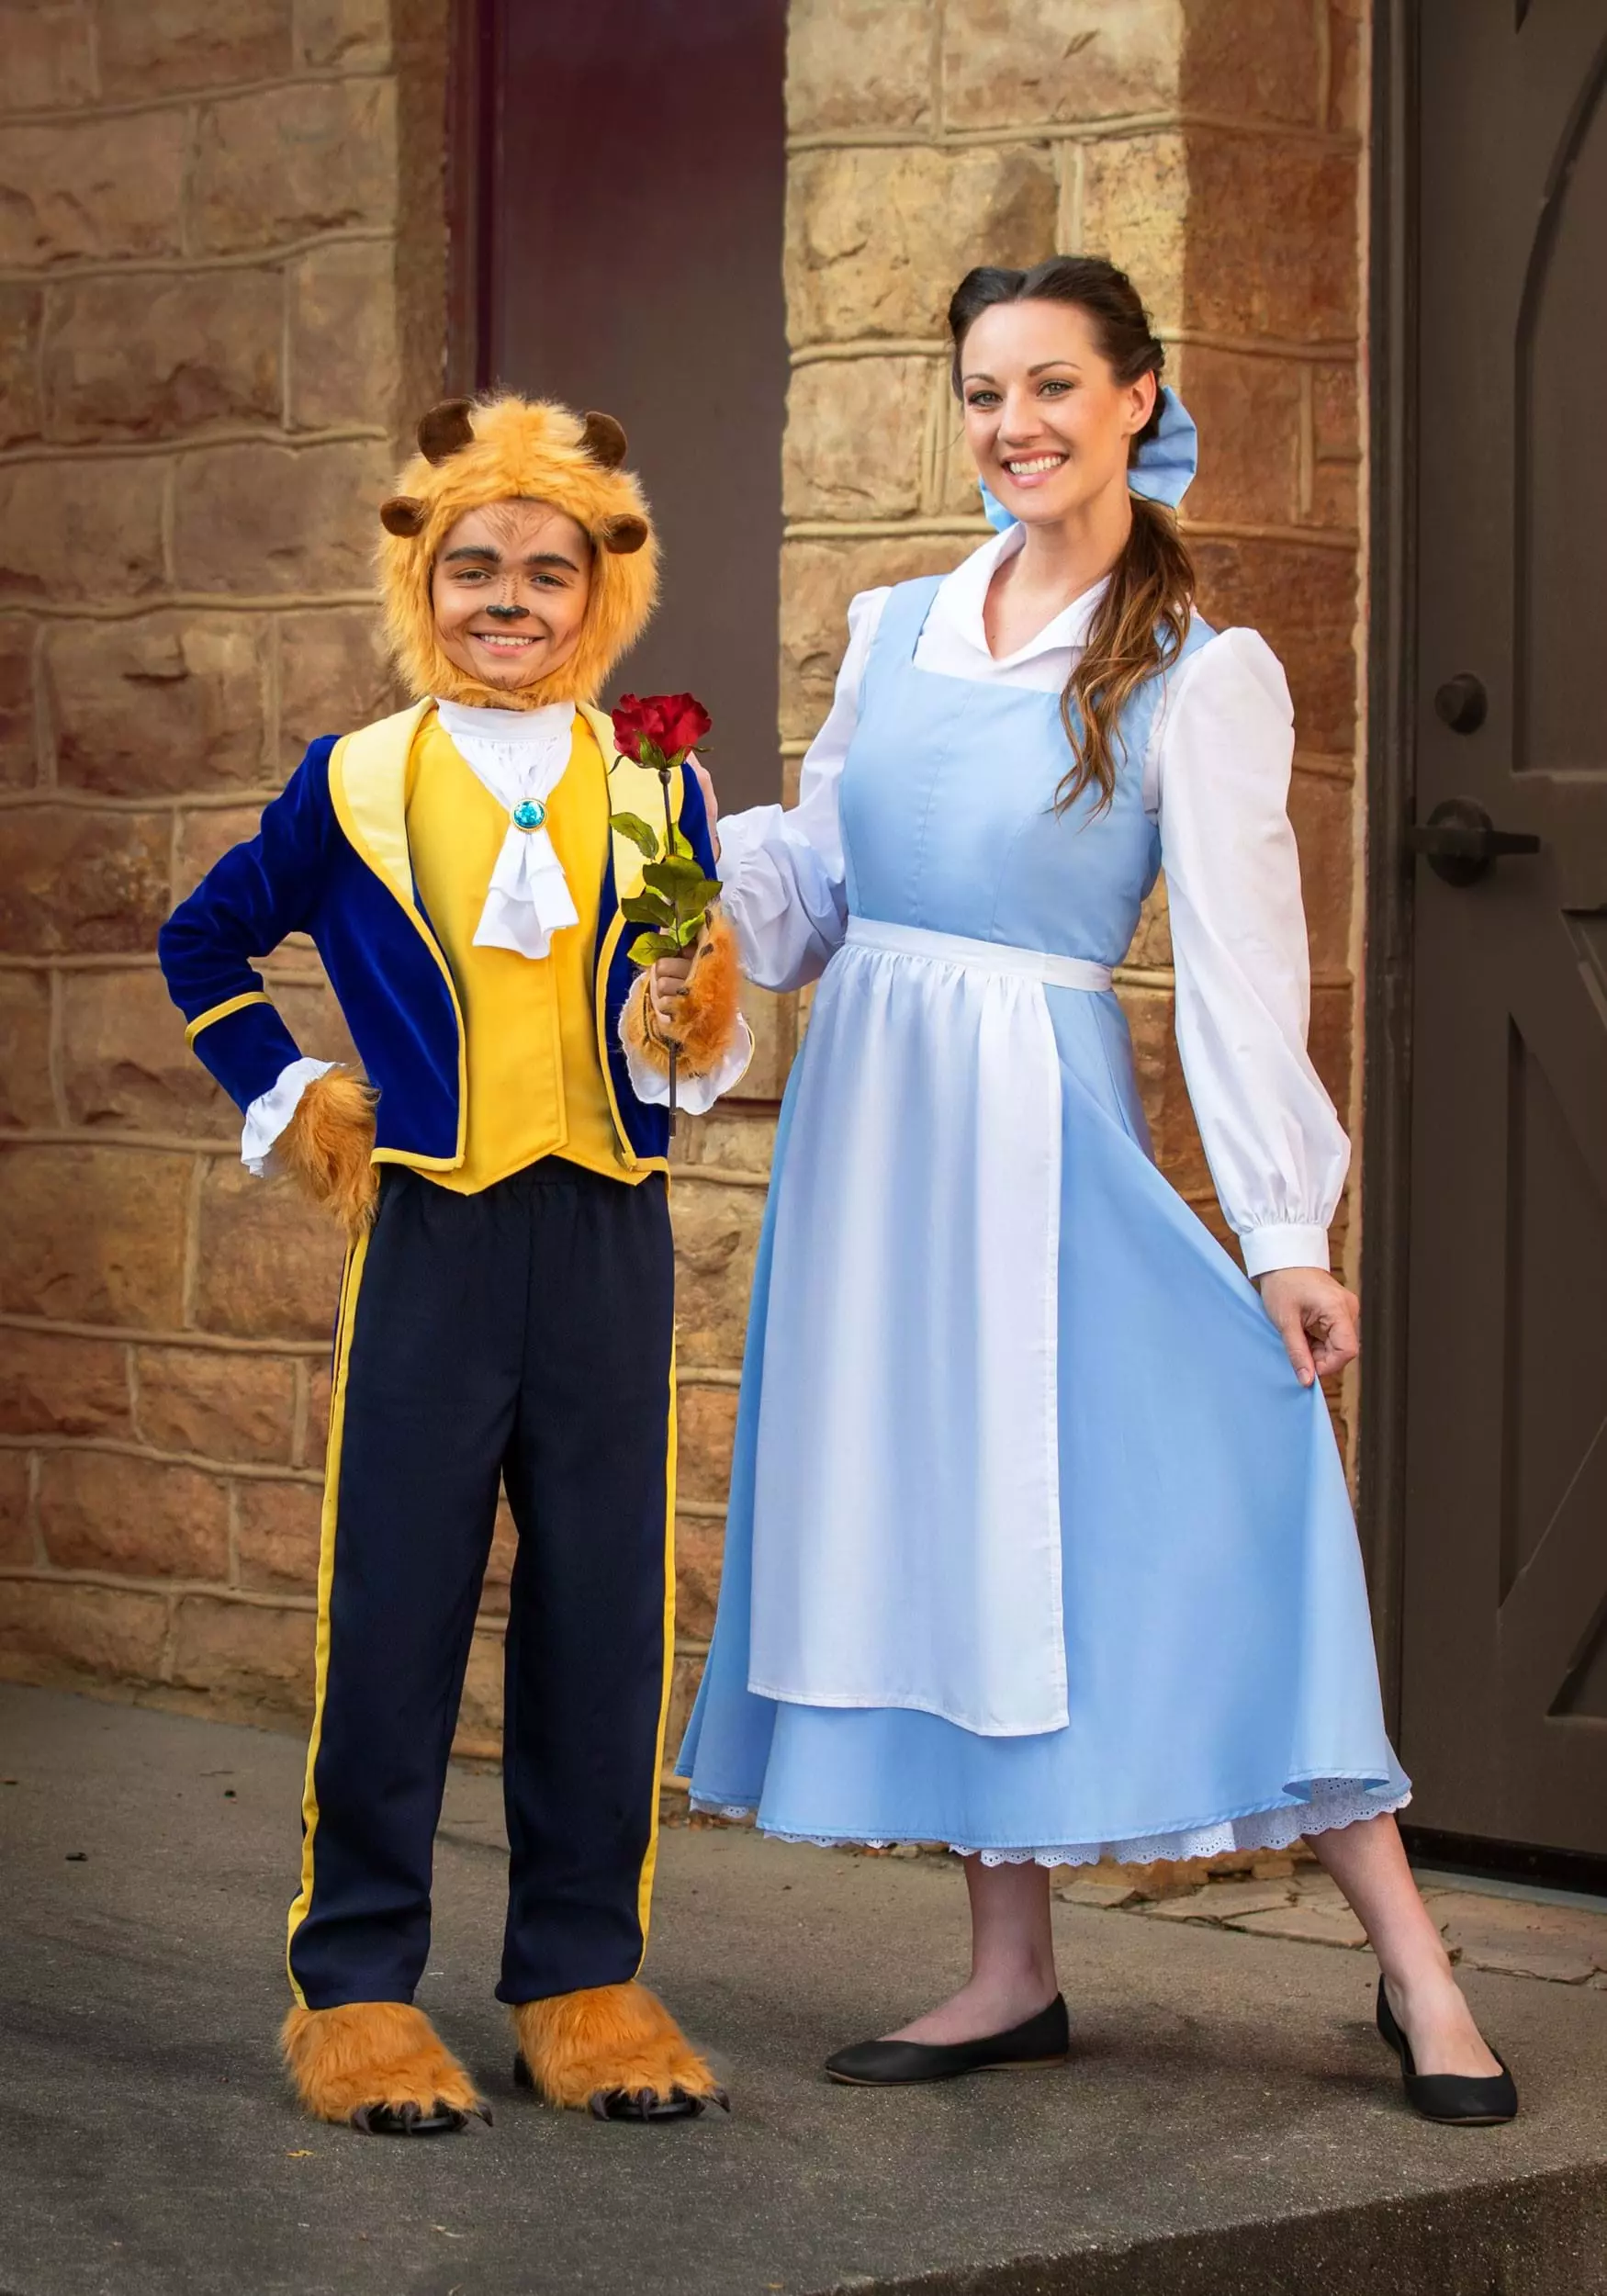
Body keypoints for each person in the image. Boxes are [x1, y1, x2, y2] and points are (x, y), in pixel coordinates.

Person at [669, 258, 1516, 2125]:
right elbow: (818, 891)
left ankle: (1416, 1967)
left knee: (1231, 1481)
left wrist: (1281, 1233)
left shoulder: (1199, 671)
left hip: (1035, 1130)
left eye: (1052, 384)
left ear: (1138, 397)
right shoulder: (895, 626)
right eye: (983, 392)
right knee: (958, 1522)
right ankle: (1008, 1971)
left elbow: (1238, 966)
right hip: (870, 1140)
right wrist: (687, 879)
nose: (1014, 425)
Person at [159, 393, 748, 2134]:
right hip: (430, 1233)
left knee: (604, 1614)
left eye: (546, 571)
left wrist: (686, 1009)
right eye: (473, 564)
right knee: (395, 1606)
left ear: (603, 587)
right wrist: (293, 1092)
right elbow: (203, 939)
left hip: (606, 1235)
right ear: (420, 580)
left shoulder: (659, 782)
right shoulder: (353, 778)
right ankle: (354, 1993)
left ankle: (582, 1981)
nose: (508, 597)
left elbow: (689, 1023)